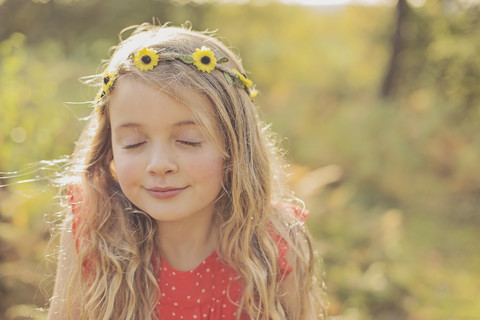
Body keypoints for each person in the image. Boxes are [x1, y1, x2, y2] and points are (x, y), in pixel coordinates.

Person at [48, 23, 325, 320]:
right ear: (109, 145)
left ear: (235, 146)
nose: (159, 164)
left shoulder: (277, 243)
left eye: (188, 141)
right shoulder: (94, 226)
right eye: (134, 143)